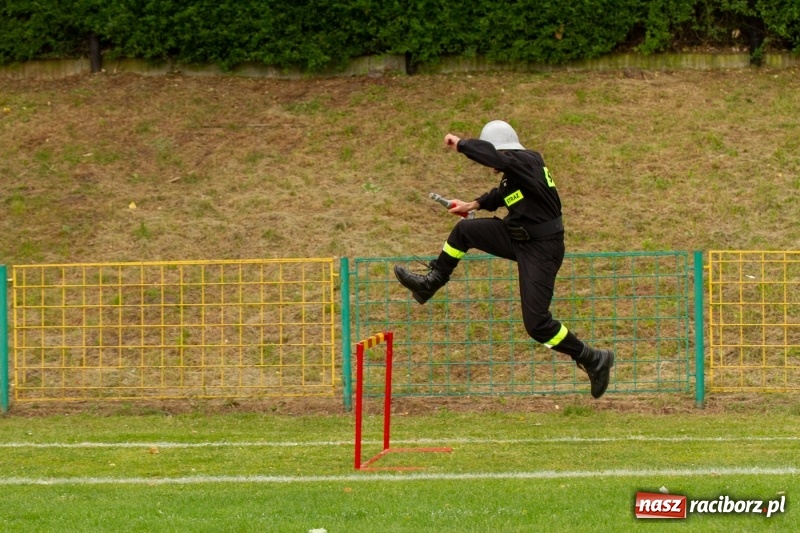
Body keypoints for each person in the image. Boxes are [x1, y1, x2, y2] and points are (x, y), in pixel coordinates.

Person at [394, 120, 614, 399]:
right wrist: (472, 205)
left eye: (494, 158)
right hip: (518, 237)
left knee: (536, 324)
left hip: (542, 248)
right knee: (465, 230)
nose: (492, 166)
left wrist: (461, 144)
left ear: (501, 150)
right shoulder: (516, 173)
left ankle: (592, 358)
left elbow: (493, 158)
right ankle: (432, 281)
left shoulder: (526, 160)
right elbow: (503, 193)